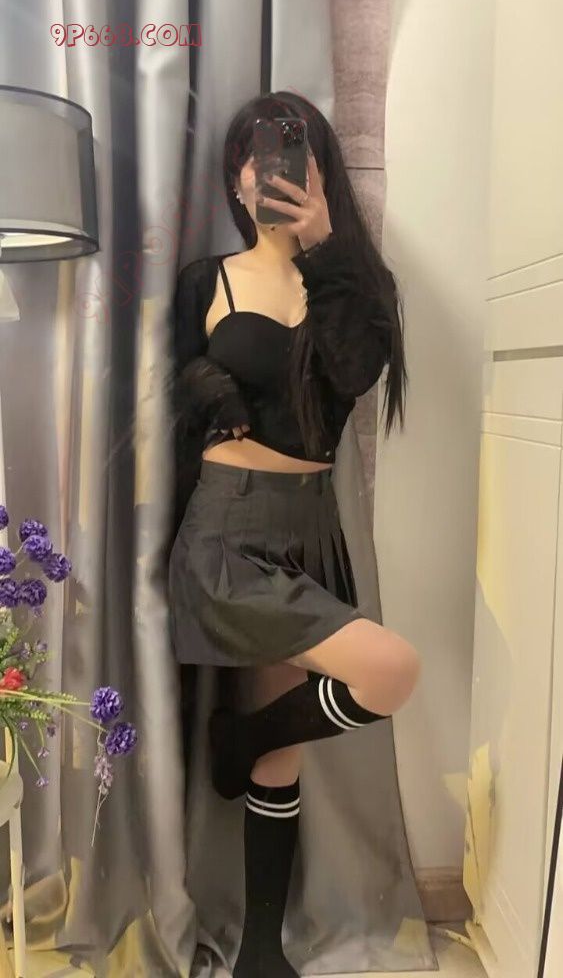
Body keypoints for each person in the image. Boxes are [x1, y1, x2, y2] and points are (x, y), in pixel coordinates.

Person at [168, 90, 420, 978]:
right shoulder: (206, 279)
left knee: (280, 748)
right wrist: (211, 391)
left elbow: (350, 374)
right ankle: (237, 745)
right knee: (390, 669)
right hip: (228, 529)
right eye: (251, 152)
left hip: (310, 530)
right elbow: (178, 370)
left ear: (318, 171)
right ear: (236, 178)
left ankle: (261, 953)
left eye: (286, 149)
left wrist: (325, 248)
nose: (264, 166)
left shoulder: (355, 282)